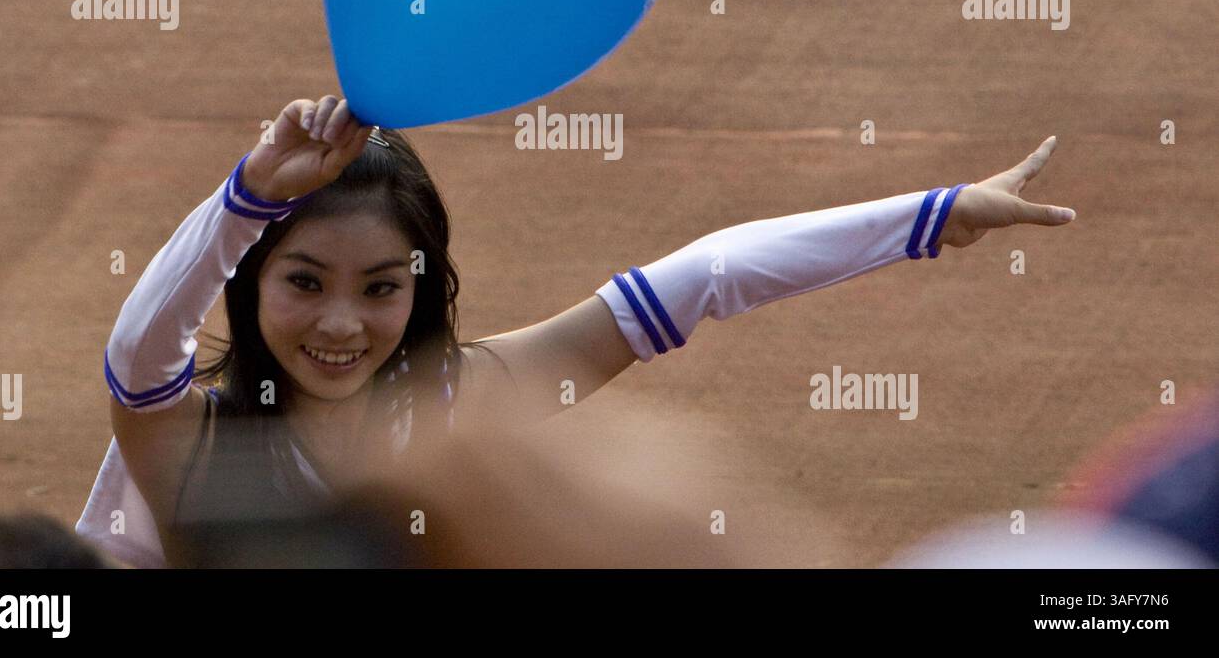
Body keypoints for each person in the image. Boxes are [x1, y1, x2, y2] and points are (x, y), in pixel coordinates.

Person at [77, 95, 1076, 567]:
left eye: (381, 287)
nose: (342, 322)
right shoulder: (189, 443)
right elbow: (139, 349)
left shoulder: (460, 403)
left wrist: (931, 214)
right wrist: (246, 195)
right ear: (248, 278)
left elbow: (698, 278)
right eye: (304, 281)